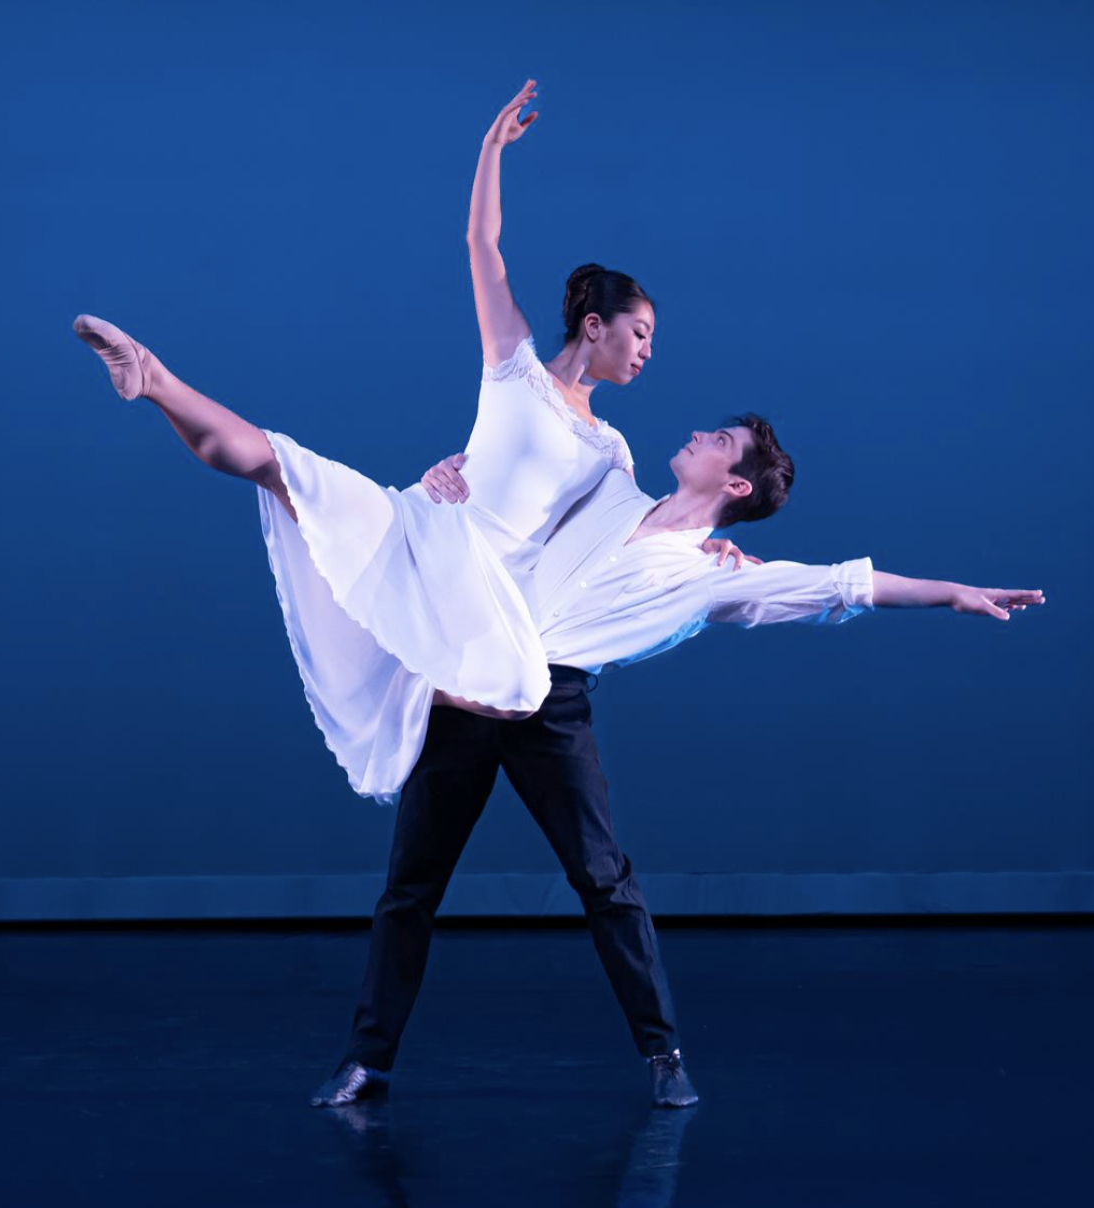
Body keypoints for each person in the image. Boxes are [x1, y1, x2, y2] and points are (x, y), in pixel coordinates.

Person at [310, 415, 1044, 1110]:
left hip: (551, 709)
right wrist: (446, 479)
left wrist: (952, 593)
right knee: (410, 887)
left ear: (736, 486)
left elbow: (836, 585)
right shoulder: (609, 485)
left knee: (604, 880)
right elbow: (515, 473)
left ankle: (663, 1056)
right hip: (470, 687)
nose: (697, 434)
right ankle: (366, 1059)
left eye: (718, 439)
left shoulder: (713, 574)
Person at [72, 79, 700, 802]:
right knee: (282, 467)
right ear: (597, 325)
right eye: (641, 332)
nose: (648, 350)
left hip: (478, 591)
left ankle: (414, 696)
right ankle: (150, 377)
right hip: (421, 529)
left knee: (524, 687)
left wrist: (707, 541)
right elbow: (482, 243)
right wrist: (491, 151)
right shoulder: (514, 364)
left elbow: (643, 527)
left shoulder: (611, 454)